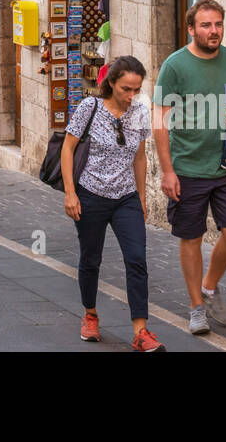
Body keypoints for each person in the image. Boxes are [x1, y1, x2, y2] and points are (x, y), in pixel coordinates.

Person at [152, 0, 226, 336]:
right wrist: (168, 171)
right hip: (188, 168)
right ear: (192, 29)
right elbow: (160, 122)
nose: (214, 31)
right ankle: (197, 307)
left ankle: (210, 285)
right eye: (207, 25)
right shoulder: (175, 66)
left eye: (218, 24)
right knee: (191, 238)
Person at [62, 56, 165, 352]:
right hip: (91, 194)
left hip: (125, 198)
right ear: (111, 83)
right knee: (90, 258)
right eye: (125, 89)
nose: (131, 95)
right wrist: (71, 193)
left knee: (136, 259)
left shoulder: (140, 112)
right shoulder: (89, 108)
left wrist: (142, 198)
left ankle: (140, 331)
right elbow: (68, 150)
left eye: (136, 89)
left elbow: (140, 156)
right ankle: (90, 314)